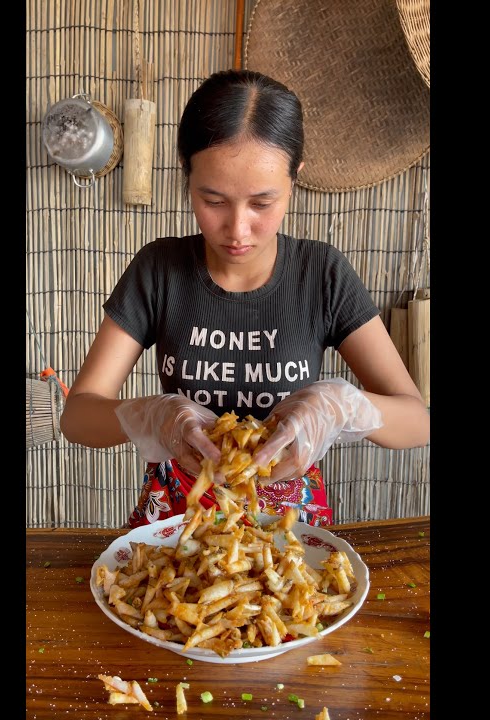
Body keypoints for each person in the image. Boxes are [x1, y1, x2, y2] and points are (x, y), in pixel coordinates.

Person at [59, 69, 429, 528]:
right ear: (187, 178)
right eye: (213, 200)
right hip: (177, 520)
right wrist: (153, 415)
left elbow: (416, 422)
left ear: (295, 179)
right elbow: (76, 417)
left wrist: (341, 405)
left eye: (261, 203)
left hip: (289, 532)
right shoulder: (160, 269)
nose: (237, 230)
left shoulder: (322, 273)